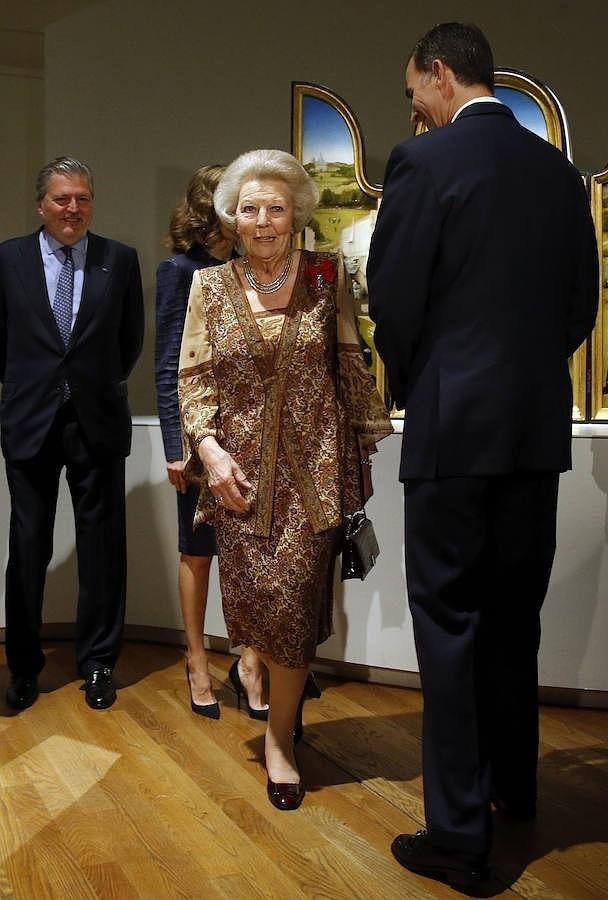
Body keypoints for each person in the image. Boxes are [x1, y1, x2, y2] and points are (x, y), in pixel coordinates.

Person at [367, 23, 599, 891]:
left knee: (451, 624)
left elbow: (394, 295)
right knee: (514, 618)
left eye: (412, 89)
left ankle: (460, 839)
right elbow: (580, 299)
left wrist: (417, 378)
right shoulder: (558, 172)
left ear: (437, 72)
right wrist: (529, 374)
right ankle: (516, 792)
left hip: (452, 429)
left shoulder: (422, 163)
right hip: (533, 430)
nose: (414, 106)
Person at [178, 148, 392, 810]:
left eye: (276, 208)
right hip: (236, 475)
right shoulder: (209, 287)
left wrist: (364, 444)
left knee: (295, 603)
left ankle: (279, 740)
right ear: (232, 220)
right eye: (250, 209)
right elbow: (193, 376)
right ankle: (251, 661)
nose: (263, 221)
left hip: (314, 472)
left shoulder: (327, 278)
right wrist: (208, 452)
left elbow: (352, 359)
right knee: (253, 599)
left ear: (296, 213)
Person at [0, 156, 144, 711]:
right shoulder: (8, 260)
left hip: (97, 424)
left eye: (82, 198)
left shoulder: (120, 260)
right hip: (30, 423)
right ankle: (23, 667)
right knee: (27, 548)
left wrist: (92, 385)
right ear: (41, 204)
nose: (73, 208)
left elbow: (129, 340)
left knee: (102, 550)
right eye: (62, 199)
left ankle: (99, 663)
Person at [155, 164, 267, 720]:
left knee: (247, 554)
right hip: (198, 434)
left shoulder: (250, 269)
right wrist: (176, 445)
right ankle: (196, 659)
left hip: (247, 432)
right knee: (197, 552)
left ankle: (247, 660)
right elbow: (169, 365)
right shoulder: (180, 272)